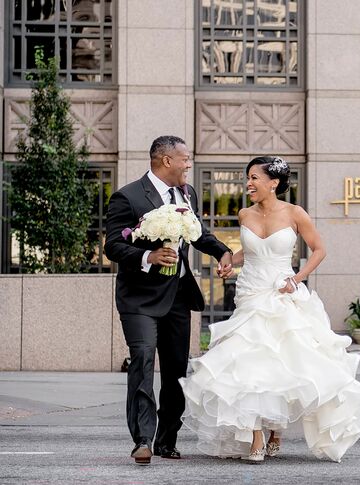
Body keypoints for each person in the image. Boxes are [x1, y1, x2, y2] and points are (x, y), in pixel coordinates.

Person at [179, 156, 360, 463]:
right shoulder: (245, 214)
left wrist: (296, 279)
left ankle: (275, 429)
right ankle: (255, 436)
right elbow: (253, 250)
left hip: (283, 292)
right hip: (251, 293)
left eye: (255, 178)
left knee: (282, 363)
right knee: (249, 364)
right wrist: (230, 261)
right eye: (248, 178)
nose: (249, 184)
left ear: (274, 183)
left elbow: (319, 250)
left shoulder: (295, 213)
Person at [104, 135, 234, 465]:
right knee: (144, 360)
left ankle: (166, 439)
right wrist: (148, 255)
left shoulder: (186, 194)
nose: (189, 164)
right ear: (166, 161)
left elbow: (199, 234)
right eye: (185, 159)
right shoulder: (127, 196)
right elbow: (112, 247)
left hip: (177, 295)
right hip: (139, 299)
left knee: (177, 371)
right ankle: (143, 439)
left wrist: (223, 252)